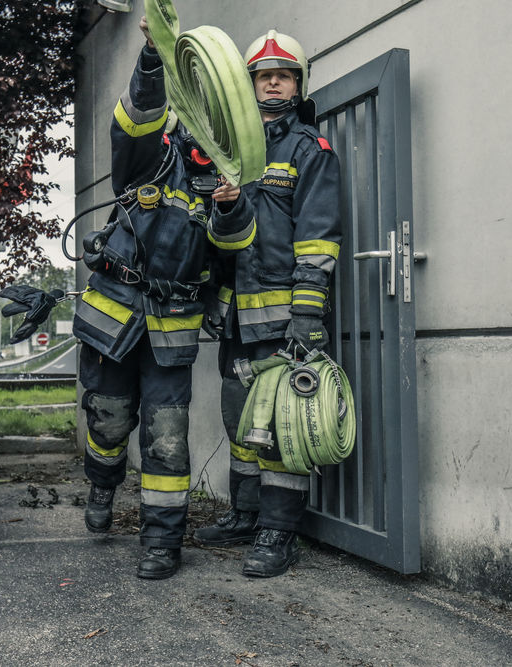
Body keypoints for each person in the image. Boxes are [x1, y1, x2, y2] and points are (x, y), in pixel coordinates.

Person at [73, 17, 256, 580]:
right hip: (114, 318)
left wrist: (230, 206)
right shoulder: (151, 154)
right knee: (108, 423)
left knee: (167, 439)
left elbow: (235, 246)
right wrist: (153, 59)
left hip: (171, 329)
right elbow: (133, 119)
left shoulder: (229, 177)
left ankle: (161, 541)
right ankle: (102, 484)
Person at [195, 30, 341, 578]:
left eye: (283, 75)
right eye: (263, 76)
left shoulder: (309, 150)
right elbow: (218, 241)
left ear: (298, 85)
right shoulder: (228, 152)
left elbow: (319, 238)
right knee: (240, 420)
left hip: (284, 320)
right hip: (236, 316)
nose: (273, 83)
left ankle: (279, 532)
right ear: (249, 85)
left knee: (280, 425)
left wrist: (307, 314)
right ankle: (246, 514)